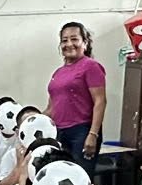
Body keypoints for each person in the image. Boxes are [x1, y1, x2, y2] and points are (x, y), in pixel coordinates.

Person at [46, 21, 108, 166]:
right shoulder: (58, 73)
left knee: (80, 176)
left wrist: (93, 134)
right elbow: (51, 108)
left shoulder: (91, 66)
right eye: (64, 40)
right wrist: (30, 119)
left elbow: (100, 101)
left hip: (81, 132)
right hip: (59, 133)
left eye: (74, 39)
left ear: (85, 43)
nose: (69, 44)